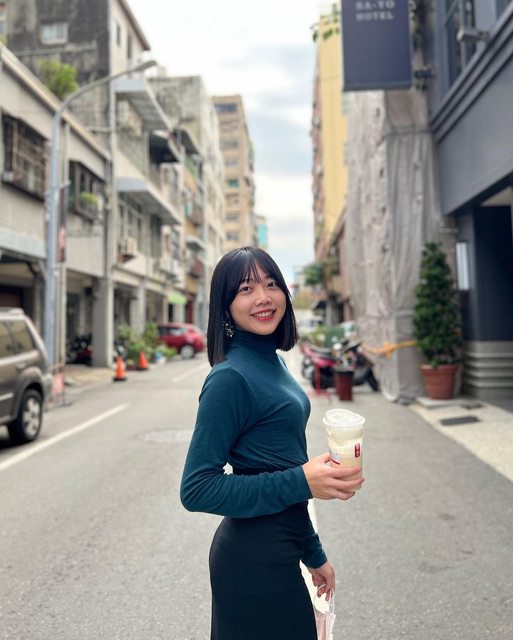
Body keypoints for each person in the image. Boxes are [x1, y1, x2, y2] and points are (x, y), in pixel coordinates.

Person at [180, 247, 363, 640]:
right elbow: (196, 488)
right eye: (246, 289)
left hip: (282, 548)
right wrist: (303, 480)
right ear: (226, 306)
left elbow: (285, 465)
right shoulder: (229, 378)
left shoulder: (273, 360)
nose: (263, 297)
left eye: (270, 284)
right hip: (250, 563)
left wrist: (312, 552)